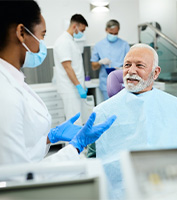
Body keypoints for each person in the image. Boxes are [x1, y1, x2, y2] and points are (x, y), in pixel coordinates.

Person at [0, 0, 116, 166]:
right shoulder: (5, 94)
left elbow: (24, 146)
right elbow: (18, 176)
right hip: (70, 89)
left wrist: (49, 137)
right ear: (21, 33)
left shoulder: (13, 80)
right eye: (42, 35)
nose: (42, 43)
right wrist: (75, 148)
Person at [88, 43, 177, 199]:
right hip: (124, 190)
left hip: (173, 184)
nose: (131, 71)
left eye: (139, 65)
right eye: (127, 65)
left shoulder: (176, 105)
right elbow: (93, 155)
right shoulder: (103, 111)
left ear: (155, 73)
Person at [53, 14, 88, 125]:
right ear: (75, 26)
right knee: (74, 121)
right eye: (81, 30)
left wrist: (81, 85)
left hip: (74, 89)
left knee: (78, 120)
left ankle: (78, 142)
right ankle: (73, 143)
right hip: (70, 89)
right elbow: (67, 67)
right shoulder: (63, 42)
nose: (82, 33)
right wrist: (78, 86)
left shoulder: (70, 41)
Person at [90, 19, 130, 100]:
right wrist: (100, 62)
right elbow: (93, 66)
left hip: (122, 82)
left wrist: (123, 68)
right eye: (111, 33)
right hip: (106, 83)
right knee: (110, 109)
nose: (113, 35)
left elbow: (132, 62)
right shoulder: (99, 45)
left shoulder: (124, 45)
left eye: (116, 33)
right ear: (106, 30)